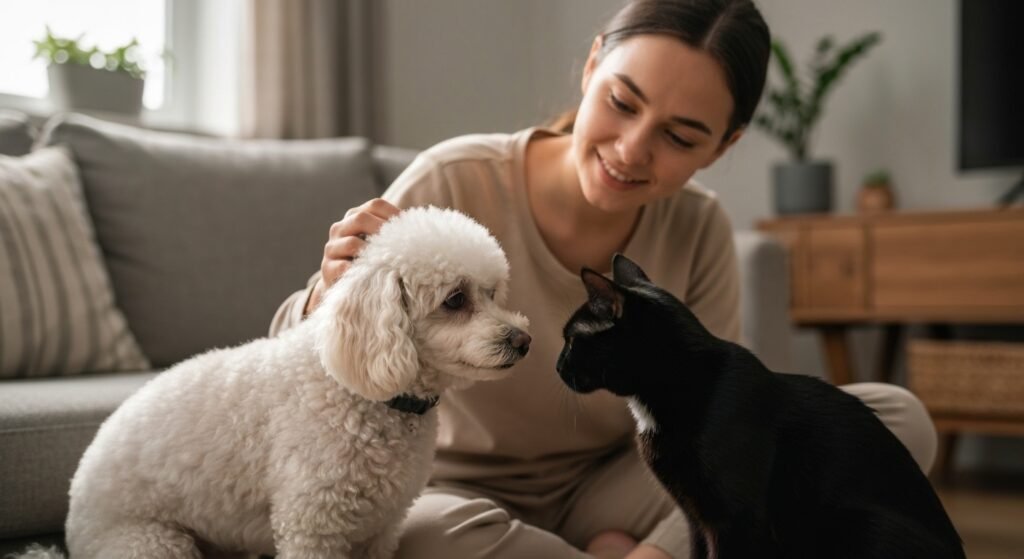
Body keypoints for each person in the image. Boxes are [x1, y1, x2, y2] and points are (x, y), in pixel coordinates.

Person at [271, 1, 938, 557]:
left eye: (680, 137)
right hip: (453, 489)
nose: (631, 149)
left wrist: (657, 549)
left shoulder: (699, 228)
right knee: (428, 535)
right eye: (622, 102)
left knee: (891, 416)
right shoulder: (452, 179)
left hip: (624, 478)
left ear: (724, 145)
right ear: (592, 67)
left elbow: (733, 421)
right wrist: (331, 290)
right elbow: (293, 358)